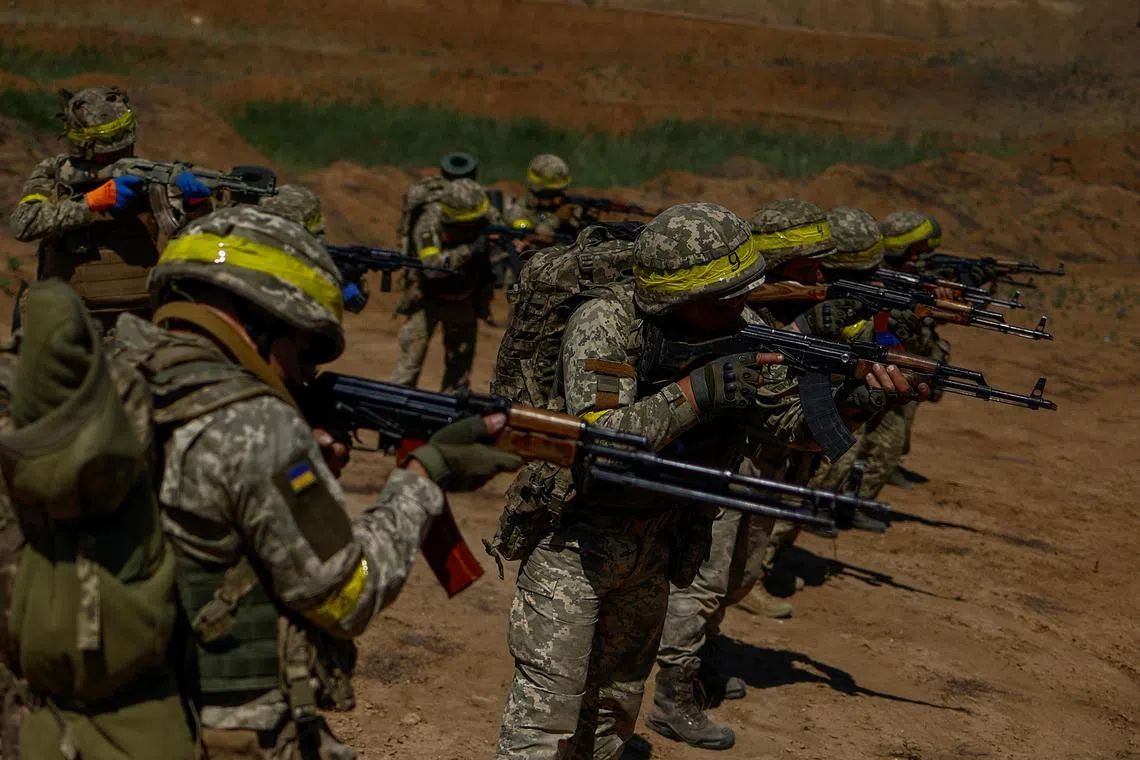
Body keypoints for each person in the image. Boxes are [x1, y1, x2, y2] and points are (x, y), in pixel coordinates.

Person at [493, 202, 921, 758]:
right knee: (545, 716)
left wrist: (860, 399)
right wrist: (695, 394)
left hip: (657, 542)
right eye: (728, 296)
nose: (745, 304)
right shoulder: (606, 323)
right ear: (683, 299)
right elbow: (605, 440)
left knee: (616, 707)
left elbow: (789, 426)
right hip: (575, 541)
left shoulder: (741, 329)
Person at [122, 205, 519, 757]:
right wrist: (420, 477)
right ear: (266, 320)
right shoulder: (257, 427)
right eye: (304, 348)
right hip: (211, 723)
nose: (299, 372)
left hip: (108, 703)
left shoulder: (114, 370)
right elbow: (345, 595)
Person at [8, 86, 213, 331]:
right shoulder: (53, 174)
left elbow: (192, 237)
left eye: (123, 150)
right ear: (83, 148)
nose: (119, 157)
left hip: (138, 320)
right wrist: (90, 203)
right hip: (69, 318)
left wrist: (195, 206)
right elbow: (23, 223)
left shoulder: (150, 176)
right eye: (109, 154)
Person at [390, 179, 499, 392]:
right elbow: (430, 267)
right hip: (426, 299)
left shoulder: (485, 216)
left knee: (459, 370)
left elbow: (505, 230)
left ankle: (452, 414)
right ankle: (396, 408)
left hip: (464, 298)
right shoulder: (429, 222)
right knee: (409, 365)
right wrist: (469, 250)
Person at [504, 153, 586, 245]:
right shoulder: (518, 211)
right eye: (551, 194)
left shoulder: (564, 206)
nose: (558, 199)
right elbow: (531, 237)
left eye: (560, 192)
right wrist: (556, 219)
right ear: (537, 191)